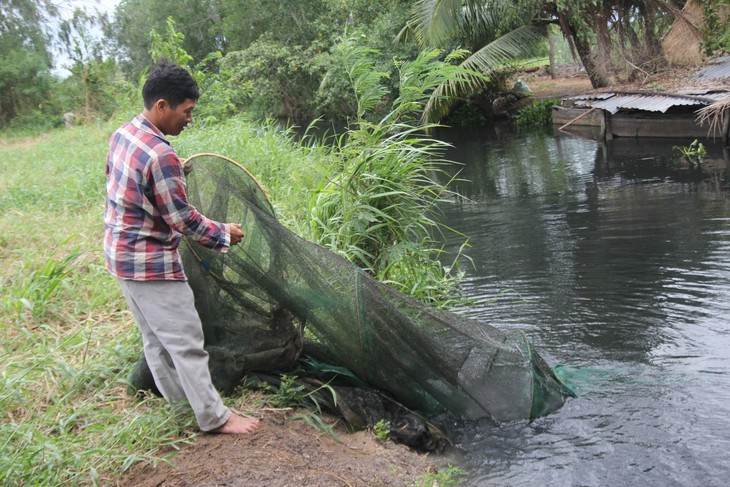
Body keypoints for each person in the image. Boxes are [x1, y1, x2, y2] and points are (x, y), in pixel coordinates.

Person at [103, 62, 259, 435]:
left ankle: (178, 403)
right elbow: (182, 220)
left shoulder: (124, 134)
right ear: (162, 106)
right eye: (186, 111)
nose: (190, 119)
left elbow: (129, 184)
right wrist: (224, 233)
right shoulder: (161, 155)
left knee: (155, 339)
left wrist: (173, 174)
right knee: (187, 341)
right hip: (150, 263)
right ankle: (214, 417)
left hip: (120, 256)